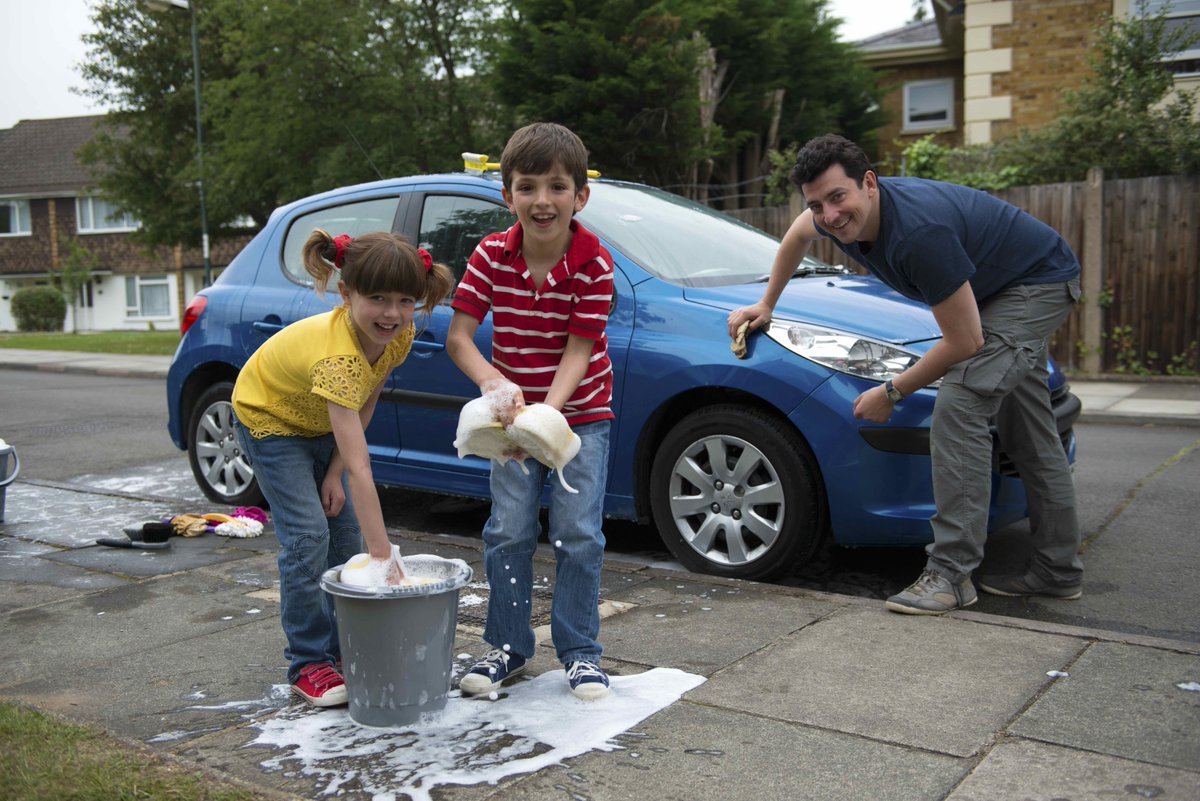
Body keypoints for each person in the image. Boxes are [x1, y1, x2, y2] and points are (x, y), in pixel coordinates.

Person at [728, 133, 1082, 615]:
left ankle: (952, 575)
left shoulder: (918, 235)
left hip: (1034, 285)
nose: (830, 216)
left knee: (958, 407)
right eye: (818, 204)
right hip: (1002, 287)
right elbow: (796, 235)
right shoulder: (830, 217)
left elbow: (964, 342)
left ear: (868, 183)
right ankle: (1058, 572)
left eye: (838, 197)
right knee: (1029, 429)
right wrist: (767, 303)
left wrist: (891, 392)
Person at [232, 230, 454, 705]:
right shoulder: (338, 356)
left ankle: (343, 650)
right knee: (309, 536)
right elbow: (363, 469)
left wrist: (331, 474)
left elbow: (365, 402)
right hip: (270, 419)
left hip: (318, 422)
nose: (391, 314)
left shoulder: (398, 337)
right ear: (346, 293)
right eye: (376, 299)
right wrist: (383, 557)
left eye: (404, 300)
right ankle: (308, 662)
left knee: (343, 539)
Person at [447, 122, 615, 699]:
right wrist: (496, 387)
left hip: (581, 414)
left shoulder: (595, 263)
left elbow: (579, 350)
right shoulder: (491, 255)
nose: (542, 200)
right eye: (527, 187)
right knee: (508, 530)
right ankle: (508, 647)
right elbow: (460, 338)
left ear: (580, 196)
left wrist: (543, 421)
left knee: (578, 534)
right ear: (507, 195)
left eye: (557, 186)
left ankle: (580, 652)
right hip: (508, 418)